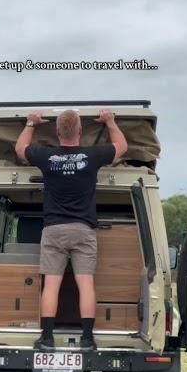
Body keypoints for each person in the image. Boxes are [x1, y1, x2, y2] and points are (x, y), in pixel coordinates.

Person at [15, 109, 127, 350]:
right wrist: (110, 121)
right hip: (83, 230)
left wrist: (31, 123)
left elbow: (20, 149)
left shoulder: (47, 157)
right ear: (80, 131)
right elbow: (122, 146)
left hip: (54, 230)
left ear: (57, 132)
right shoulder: (92, 156)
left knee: (51, 285)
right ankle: (87, 339)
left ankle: (47, 339)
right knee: (85, 285)